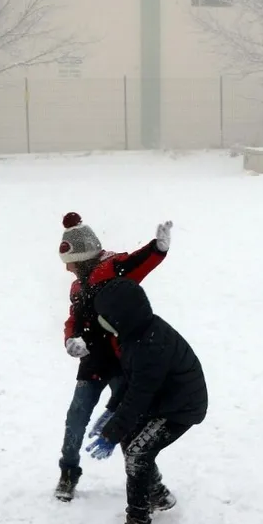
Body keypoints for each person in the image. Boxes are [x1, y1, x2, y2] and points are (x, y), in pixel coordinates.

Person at [54, 213, 171, 502]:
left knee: (128, 424)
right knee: (76, 417)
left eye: (70, 262)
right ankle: (68, 472)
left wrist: (158, 247)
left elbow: (140, 261)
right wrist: (70, 339)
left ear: (82, 258)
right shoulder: (78, 286)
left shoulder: (114, 269)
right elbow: (74, 319)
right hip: (92, 364)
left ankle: (152, 484)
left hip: (122, 362)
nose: (67, 268)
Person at [84, 278, 207, 524]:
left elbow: (140, 395)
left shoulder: (150, 344)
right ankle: (157, 495)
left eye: (106, 317)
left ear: (121, 316)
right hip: (163, 399)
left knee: (138, 453)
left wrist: (111, 433)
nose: (103, 323)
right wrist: (111, 412)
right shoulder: (136, 334)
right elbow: (131, 381)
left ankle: (138, 523)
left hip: (181, 407)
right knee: (132, 442)